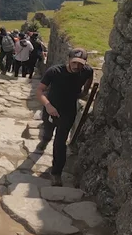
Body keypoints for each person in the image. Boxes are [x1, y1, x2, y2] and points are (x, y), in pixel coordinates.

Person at [35, 48, 94, 186]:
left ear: (84, 63)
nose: (76, 66)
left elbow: (89, 80)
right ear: (68, 59)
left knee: (60, 142)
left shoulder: (87, 71)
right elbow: (39, 91)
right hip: (51, 108)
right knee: (48, 131)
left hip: (68, 111)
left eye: (80, 63)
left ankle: (56, 173)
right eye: (74, 62)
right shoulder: (54, 72)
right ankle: (45, 140)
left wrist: (84, 92)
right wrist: (48, 106)